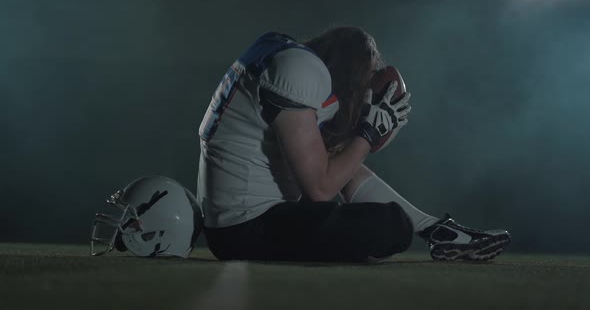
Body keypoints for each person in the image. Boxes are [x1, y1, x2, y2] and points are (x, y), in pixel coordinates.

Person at [196, 27, 510, 262]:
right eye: (369, 73)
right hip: (245, 229)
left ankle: (437, 232)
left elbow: (337, 163)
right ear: (352, 68)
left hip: (238, 222)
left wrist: (370, 134)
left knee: (353, 178)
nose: (368, 86)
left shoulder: (287, 56)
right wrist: (368, 134)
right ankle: (425, 231)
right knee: (390, 225)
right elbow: (320, 189)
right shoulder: (302, 71)